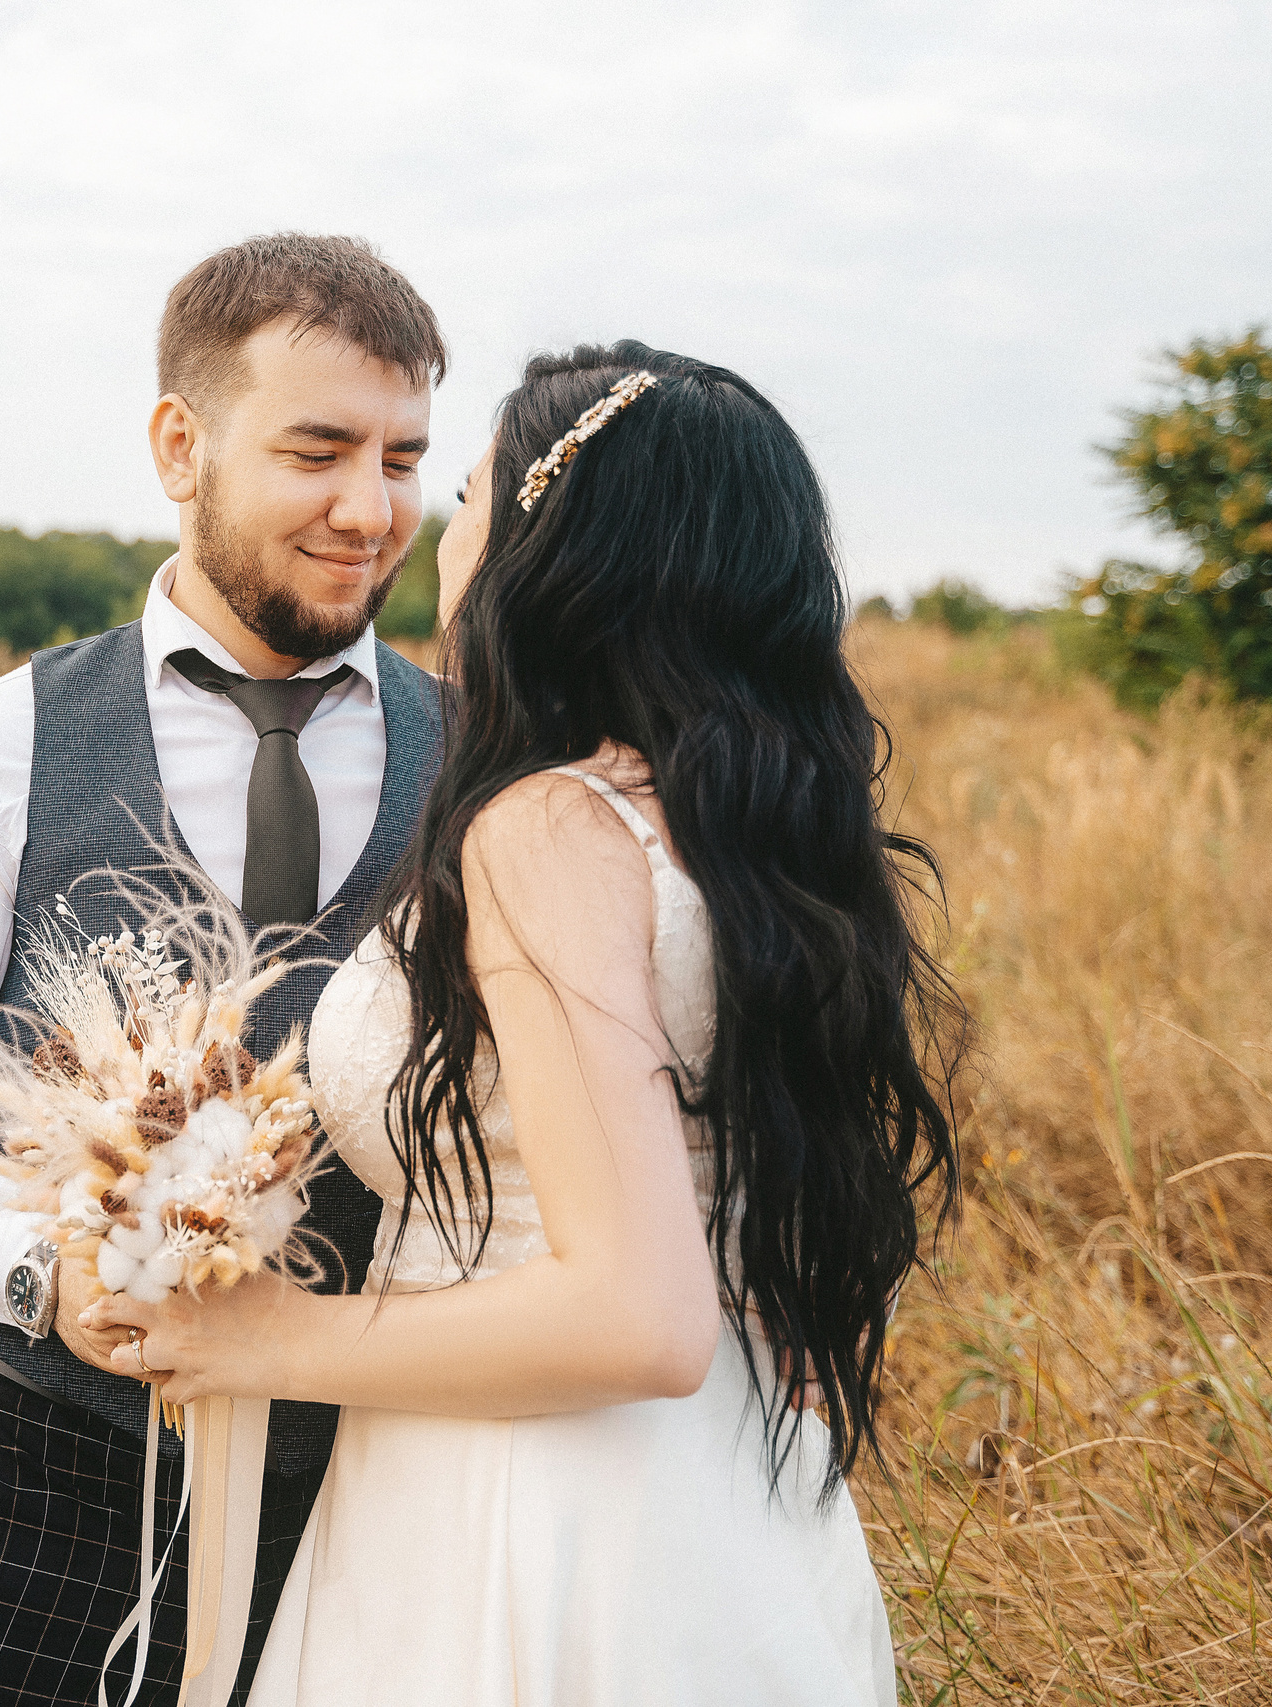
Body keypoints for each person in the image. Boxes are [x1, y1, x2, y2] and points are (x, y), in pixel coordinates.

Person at [90, 342, 965, 1705]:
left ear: (554, 548)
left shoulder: (549, 829)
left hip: (533, 1507)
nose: (437, 533)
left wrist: (262, 1336)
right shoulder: (743, 826)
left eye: (472, 490)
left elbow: (637, 1317)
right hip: (727, 1502)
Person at [0, 233, 450, 1706]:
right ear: (181, 443)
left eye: (405, 458)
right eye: (319, 450)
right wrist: (50, 1276)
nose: (372, 509)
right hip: (31, 1501)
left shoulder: (487, 770)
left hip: (382, 1505)